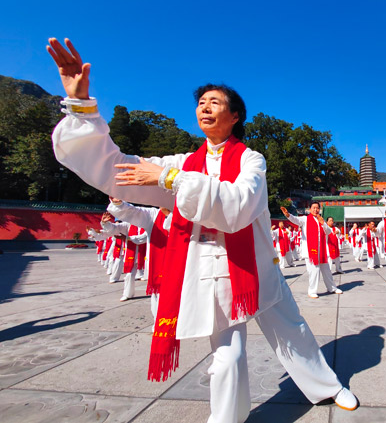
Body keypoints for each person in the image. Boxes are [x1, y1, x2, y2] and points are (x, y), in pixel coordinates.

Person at [47, 38, 357, 423]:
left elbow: (240, 205)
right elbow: (114, 168)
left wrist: (170, 179)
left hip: (257, 268)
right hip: (214, 275)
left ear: (235, 116)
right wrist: (81, 107)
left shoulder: (251, 160)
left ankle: (327, 387)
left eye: (215, 102)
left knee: (292, 331)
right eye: (200, 102)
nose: (204, 107)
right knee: (229, 356)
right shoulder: (181, 162)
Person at [107, 197, 172, 322]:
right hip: (157, 262)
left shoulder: (189, 211)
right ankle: (160, 323)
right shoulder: (153, 214)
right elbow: (134, 212)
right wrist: (119, 203)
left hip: (182, 265)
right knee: (158, 293)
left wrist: (169, 216)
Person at [282, 204, 343, 298]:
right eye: (313, 208)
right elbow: (295, 219)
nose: (316, 210)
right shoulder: (305, 219)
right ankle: (312, 291)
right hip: (310, 251)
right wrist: (288, 215)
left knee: (326, 270)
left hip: (321, 250)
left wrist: (323, 223)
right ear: (310, 209)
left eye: (317, 208)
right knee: (314, 271)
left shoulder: (321, 220)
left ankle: (332, 288)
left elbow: (329, 232)